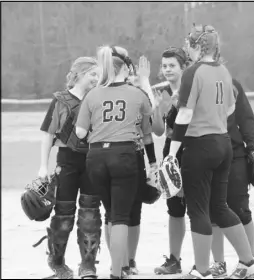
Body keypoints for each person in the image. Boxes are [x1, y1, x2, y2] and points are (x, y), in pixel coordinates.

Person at [166, 24, 254, 279]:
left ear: (200, 46)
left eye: (190, 43)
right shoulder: (223, 70)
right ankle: (250, 261)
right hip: (224, 144)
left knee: (199, 210)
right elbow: (230, 110)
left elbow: (185, 114)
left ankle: (201, 271)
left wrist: (171, 153)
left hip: (200, 145)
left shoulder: (193, 72)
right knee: (219, 207)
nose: (188, 47)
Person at [75, 46, 153, 279]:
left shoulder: (93, 94)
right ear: (124, 69)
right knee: (121, 217)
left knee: (109, 214)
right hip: (124, 155)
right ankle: (119, 271)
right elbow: (148, 123)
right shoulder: (136, 93)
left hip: (96, 157)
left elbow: (80, 133)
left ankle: (115, 265)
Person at [37, 57, 102, 279]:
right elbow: (48, 135)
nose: (96, 78)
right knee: (63, 214)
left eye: (98, 74)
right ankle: (58, 264)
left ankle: (88, 265)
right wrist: (43, 167)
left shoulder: (98, 98)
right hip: (66, 160)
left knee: (90, 214)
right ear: (79, 74)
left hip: (92, 160)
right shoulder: (61, 101)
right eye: (92, 74)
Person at [209, 78, 254, 278]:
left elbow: (246, 118)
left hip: (235, 153)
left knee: (240, 207)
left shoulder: (231, 84)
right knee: (211, 210)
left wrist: (252, 148)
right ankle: (218, 263)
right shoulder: (193, 83)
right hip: (207, 153)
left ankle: (251, 259)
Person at [150, 47, 190, 275]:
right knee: (175, 208)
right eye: (164, 66)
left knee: (199, 206)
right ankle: (174, 259)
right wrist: (157, 109)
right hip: (170, 151)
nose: (167, 70)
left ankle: (207, 260)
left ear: (183, 67)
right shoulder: (163, 92)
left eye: (172, 65)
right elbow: (157, 131)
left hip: (193, 149)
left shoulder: (192, 89)